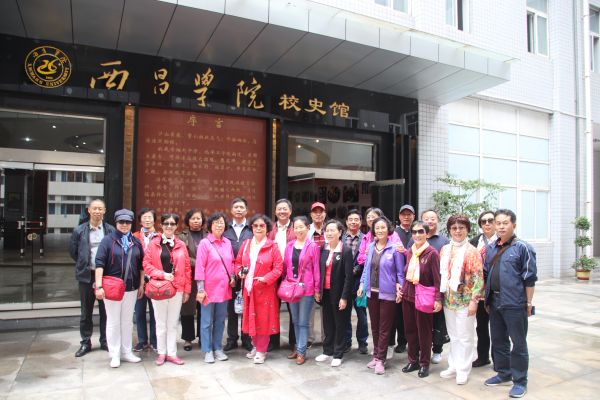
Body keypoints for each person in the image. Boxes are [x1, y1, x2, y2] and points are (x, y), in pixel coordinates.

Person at [483, 209, 537, 399]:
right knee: (498, 340)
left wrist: (528, 302)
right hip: (495, 301)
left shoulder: (523, 247)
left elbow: (530, 278)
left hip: (515, 303)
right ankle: (504, 373)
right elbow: (487, 273)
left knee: (518, 343)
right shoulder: (491, 248)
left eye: (505, 223)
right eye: (498, 223)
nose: (501, 227)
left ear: (513, 225)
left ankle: (520, 381)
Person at [94, 209, 145, 368]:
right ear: (116, 223)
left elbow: (141, 265)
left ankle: (126, 352)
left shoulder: (136, 242)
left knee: (127, 321)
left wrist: (141, 284)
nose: (124, 225)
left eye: (127, 222)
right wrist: (99, 286)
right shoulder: (107, 241)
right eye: (121, 222)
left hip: (131, 287)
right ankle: (114, 354)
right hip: (112, 289)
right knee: (113, 321)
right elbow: (99, 264)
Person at [439, 215, 484, 385]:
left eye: (461, 228)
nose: (457, 231)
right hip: (448, 299)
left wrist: (474, 301)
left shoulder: (472, 251)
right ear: (449, 230)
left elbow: (478, 278)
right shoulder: (445, 249)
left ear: (467, 230)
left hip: (465, 300)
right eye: (454, 228)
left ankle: (463, 369)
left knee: (465, 336)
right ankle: (453, 365)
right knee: (453, 335)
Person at [143, 213, 191, 366]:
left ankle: (172, 353)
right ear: (161, 225)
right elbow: (146, 265)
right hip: (159, 288)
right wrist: (162, 275)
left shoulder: (181, 244)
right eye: (166, 223)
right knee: (160, 323)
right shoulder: (153, 244)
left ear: (176, 226)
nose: (169, 226)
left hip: (177, 288)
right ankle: (161, 353)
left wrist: (187, 290)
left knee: (173, 323)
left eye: (172, 224)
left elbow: (187, 268)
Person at [358, 217, 405, 375]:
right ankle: (377, 355)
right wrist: (362, 285)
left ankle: (381, 359)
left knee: (385, 328)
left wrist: (400, 290)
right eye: (377, 228)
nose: (379, 230)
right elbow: (366, 268)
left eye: (382, 227)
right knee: (375, 326)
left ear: (388, 229)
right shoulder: (371, 246)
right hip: (372, 292)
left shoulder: (395, 249)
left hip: (388, 294)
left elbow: (400, 273)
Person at [235, 214, 283, 364]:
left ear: (267, 228)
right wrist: (240, 272)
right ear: (251, 228)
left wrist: (266, 279)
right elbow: (238, 263)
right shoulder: (246, 244)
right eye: (255, 226)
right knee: (252, 318)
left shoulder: (273, 246)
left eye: (262, 226)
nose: (258, 228)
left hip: (265, 289)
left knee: (263, 320)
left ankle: (262, 350)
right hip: (249, 289)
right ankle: (255, 346)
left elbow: (278, 268)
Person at [69, 198, 114, 357]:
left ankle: (105, 341)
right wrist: (85, 264)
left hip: (105, 276)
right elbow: (74, 252)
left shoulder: (110, 230)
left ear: (104, 211)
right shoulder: (79, 231)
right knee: (85, 312)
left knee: (106, 311)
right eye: (94, 208)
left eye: (100, 209)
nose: (97, 211)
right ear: (89, 210)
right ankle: (85, 342)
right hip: (87, 276)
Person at [401, 220, 442, 378]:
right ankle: (413, 360)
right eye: (414, 232)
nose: (417, 235)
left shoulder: (432, 253)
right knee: (410, 330)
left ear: (426, 234)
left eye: (421, 231)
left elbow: (437, 279)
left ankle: (424, 363)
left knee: (424, 332)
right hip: (408, 296)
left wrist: (438, 299)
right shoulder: (410, 251)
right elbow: (406, 273)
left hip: (424, 297)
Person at [195, 212, 236, 363]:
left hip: (224, 288)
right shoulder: (205, 243)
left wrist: (233, 276)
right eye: (216, 222)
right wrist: (200, 289)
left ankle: (217, 347)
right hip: (208, 290)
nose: (219, 225)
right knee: (206, 321)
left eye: (221, 222)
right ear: (210, 226)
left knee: (220, 320)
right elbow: (199, 267)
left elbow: (232, 262)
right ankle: (207, 350)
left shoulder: (227, 243)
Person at [315, 219, 354, 367]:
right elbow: (320, 271)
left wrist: (344, 297)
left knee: (340, 323)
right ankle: (327, 351)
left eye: (333, 230)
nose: (329, 233)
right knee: (328, 323)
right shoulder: (323, 248)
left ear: (340, 232)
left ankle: (338, 353)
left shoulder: (345, 250)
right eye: (327, 230)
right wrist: (318, 290)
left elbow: (349, 277)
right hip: (325, 292)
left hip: (339, 294)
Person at [282, 216, 320, 365]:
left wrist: (317, 289)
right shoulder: (289, 246)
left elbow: (316, 269)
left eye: (301, 227)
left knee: (303, 322)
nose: (298, 230)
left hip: (306, 289)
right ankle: (298, 348)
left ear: (307, 228)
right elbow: (286, 267)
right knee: (295, 320)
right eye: (295, 227)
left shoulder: (313, 246)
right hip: (292, 288)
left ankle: (301, 351)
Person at [223, 197, 254, 352]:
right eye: (236, 207)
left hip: (247, 274)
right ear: (231, 210)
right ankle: (232, 339)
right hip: (230, 274)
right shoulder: (225, 229)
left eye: (242, 207)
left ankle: (247, 338)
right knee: (231, 308)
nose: (239, 210)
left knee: (246, 307)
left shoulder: (252, 229)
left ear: (246, 210)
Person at [421, 209, 450, 365]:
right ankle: (423, 347)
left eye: (433, 218)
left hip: (438, 286)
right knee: (423, 320)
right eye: (426, 218)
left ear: (438, 220)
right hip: (420, 287)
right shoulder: (417, 238)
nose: (430, 221)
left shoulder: (444, 241)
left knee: (438, 319)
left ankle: (437, 349)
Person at [267, 198, 296, 351]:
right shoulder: (270, 229)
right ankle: (273, 341)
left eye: (285, 209)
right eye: (279, 209)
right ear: (275, 211)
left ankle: (293, 342)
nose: (282, 211)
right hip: (274, 273)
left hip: (291, 274)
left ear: (290, 211)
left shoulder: (296, 228)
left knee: (293, 309)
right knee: (273, 308)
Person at [469, 210, 497, 368]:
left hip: (496, 290)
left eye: (490, 220)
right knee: (481, 326)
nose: (487, 224)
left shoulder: (502, 240)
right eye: (483, 221)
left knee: (498, 326)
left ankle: (498, 359)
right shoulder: (475, 241)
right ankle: (483, 356)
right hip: (479, 291)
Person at [177, 208, 207, 351]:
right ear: (188, 220)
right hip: (188, 277)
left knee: (203, 308)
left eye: (198, 218)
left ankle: (202, 336)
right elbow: (181, 256)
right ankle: (188, 338)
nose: (196, 221)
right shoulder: (181, 237)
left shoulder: (208, 235)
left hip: (205, 278)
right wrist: (199, 263)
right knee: (187, 309)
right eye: (193, 218)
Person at [390, 204, 415, 354]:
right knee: (398, 312)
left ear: (413, 216)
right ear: (399, 216)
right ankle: (400, 341)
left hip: (414, 277)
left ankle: (411, 341)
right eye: (403, 214)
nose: (406, 217)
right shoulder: (394, 233)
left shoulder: (416, 231)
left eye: (409, 214)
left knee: (410, 312)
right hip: (397, 277)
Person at [342, 209, 368, 354]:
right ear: (346, 222)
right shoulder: (340, 238)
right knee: (345, 314)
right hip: (344, 283)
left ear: (360, 222)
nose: (353, 222)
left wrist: (356, 269)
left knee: (361, 314)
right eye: (350, 219)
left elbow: (367, 259)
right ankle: (346, 342)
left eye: (356, 219)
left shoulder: (365, 239)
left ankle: (362, 342)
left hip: (359, 283)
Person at [132, 208, 158, 352]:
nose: (147, 220)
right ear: (140, 220)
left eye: (150, 217)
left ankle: (154, 340)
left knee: (155, 312)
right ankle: (142, 340)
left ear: (154, 220)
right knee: (140, 311)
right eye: (144, 217)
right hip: (138, 279)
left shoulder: (160, 237)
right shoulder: (134, 237)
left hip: (155, 280)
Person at [306, 201, 327, 346]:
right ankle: (309, 338)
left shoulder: (330, 229)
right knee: (309, 308)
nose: (318, 214)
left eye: (321, 212)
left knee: (326, 309)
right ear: (311, 214)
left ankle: (327, 338)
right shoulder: (306, 231)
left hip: (327, 273)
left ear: (325, 214)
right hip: (310, 274)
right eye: (315, 212)